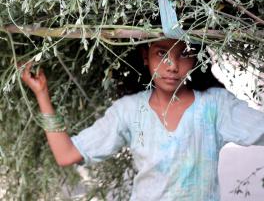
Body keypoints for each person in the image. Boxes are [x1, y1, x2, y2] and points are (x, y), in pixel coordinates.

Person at [20, 39, 264, 201]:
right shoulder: (129, 111)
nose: (172, 66)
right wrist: (42, 94)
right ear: (145, 56)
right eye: (161, 53)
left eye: (184, 54)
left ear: (197, 59)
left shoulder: (215, 106)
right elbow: (67, 154)